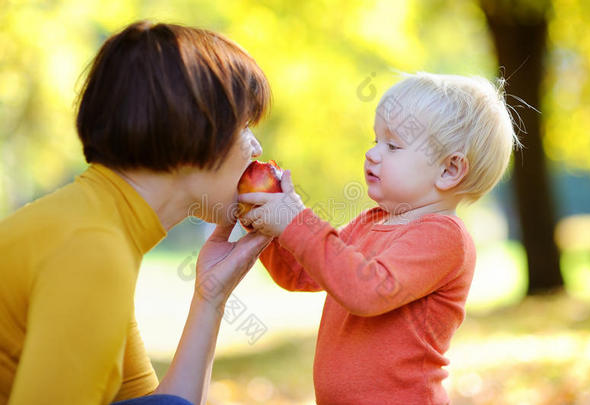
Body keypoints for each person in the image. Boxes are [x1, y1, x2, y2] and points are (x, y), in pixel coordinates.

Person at [0, 20, 273, 405]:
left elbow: (158, 402)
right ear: (192, 127)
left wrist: (211, 296)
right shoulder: (92, 250)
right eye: (245, 126)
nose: (257, 147)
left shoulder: (97, 228)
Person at [238, 72, 522, 404]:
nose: (372, 154)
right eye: (375, 141)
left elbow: (365, 290)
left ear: (448, 170)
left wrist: (296, 222)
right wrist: (267, 223)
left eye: (393, 145)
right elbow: (301, 272)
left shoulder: (444, 236)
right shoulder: (370, 223)